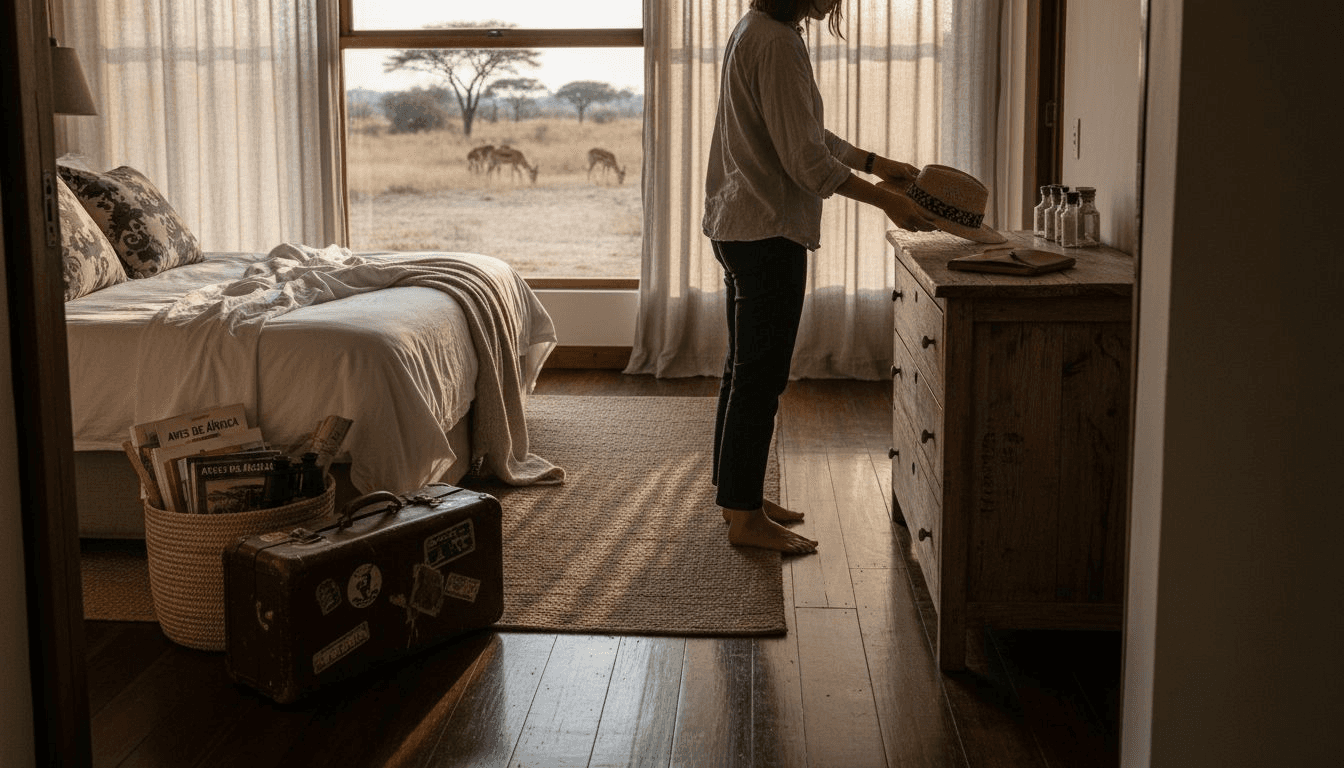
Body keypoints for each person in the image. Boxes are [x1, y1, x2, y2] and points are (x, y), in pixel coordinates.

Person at [703, 0, 936, 554]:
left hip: (739, 222)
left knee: (744, 369)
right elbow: (806, 162)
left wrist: (877, 163)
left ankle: (739, 494)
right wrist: (886, 201)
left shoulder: (759, 28)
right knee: (760, 378)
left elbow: (805, 134)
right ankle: (744, 515)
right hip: (766, 231)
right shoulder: (778, 42)